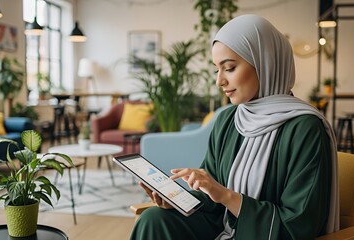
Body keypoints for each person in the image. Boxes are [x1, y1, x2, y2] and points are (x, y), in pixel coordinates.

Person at [131, 14, 339, 239]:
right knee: (154, 220)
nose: (219, 81)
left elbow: (299, 225)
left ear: (264, 64)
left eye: (229, 68)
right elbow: (212, 198)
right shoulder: (228, 120)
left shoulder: (305, 129)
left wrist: (226, 196)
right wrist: (178, 200)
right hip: (223, 227)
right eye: (216, 69)